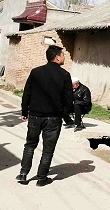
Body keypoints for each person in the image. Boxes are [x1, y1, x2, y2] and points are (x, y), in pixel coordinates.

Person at [18, 45, 73, 187]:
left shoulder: (36, 72)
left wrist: (25, 111)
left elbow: (27, 93)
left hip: (35, 116)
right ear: (57, 57)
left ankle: (23, 174)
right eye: (63, 55)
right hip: (54, 118)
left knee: (30, 145)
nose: (64, 57)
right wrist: (65, 116)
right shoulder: (65, 75)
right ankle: (42, 178)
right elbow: (68, 99)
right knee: (48, 149)